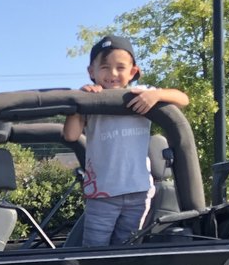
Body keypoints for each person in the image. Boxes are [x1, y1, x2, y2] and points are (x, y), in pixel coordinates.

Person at [62, 35, 189, 247]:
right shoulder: (91, 101)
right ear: (91, 72)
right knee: (94, 249)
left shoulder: (142, 96)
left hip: (138, 192)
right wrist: (79, 103)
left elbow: (183, 99)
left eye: (120, 67)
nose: (112, 74)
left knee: (127, 247)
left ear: (132, 72)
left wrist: (157, 95)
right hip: (102, 194)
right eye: (105, 67)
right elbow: (71, 135)